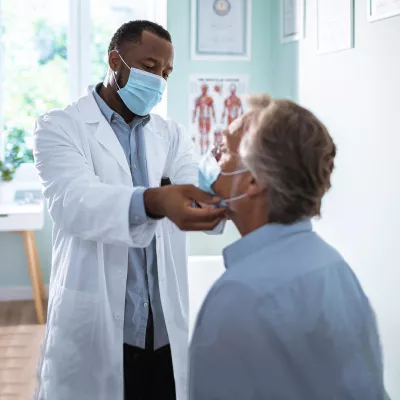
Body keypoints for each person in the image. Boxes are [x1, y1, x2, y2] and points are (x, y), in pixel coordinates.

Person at [33, 21, 225, 400]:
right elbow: (75, 202)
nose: (158, 79)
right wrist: (156, 199)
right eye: (150, 66)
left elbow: (193, 195)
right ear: (115, 61)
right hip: (100, 327)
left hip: (163, 328)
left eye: (166, 72)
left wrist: (220, 177)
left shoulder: (171, 135)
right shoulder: (60, 127)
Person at [190, 94, 385, 399]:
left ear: (254, 180)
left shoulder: (240, 294)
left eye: (224, 151)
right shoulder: (334, 266)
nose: (212, 159)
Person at [192, 84, 216, 155]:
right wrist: (193, 118)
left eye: (205, 88)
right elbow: (195, 109)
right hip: (201, 118)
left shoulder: (209, 99)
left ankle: (206, 150)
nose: (204, 90)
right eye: (203, 88)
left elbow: (213, 109)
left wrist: (214, 118)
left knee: (207, 135)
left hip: (207, 118)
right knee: (202, 135)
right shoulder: (198, 99)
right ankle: (202, 150)